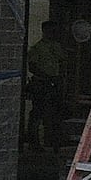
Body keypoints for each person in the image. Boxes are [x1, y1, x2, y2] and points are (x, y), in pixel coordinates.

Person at [27, 20, 65, 151]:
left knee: (54, 113)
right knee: (38, 112)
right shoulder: (37, 48)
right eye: (51, 31)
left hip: (54, 83)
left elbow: (61, 62)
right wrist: (47, 77)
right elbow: (32, 67)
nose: (53, 33)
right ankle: (34, 142)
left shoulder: (56, 46)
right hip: (41, 83)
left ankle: (53, 142)